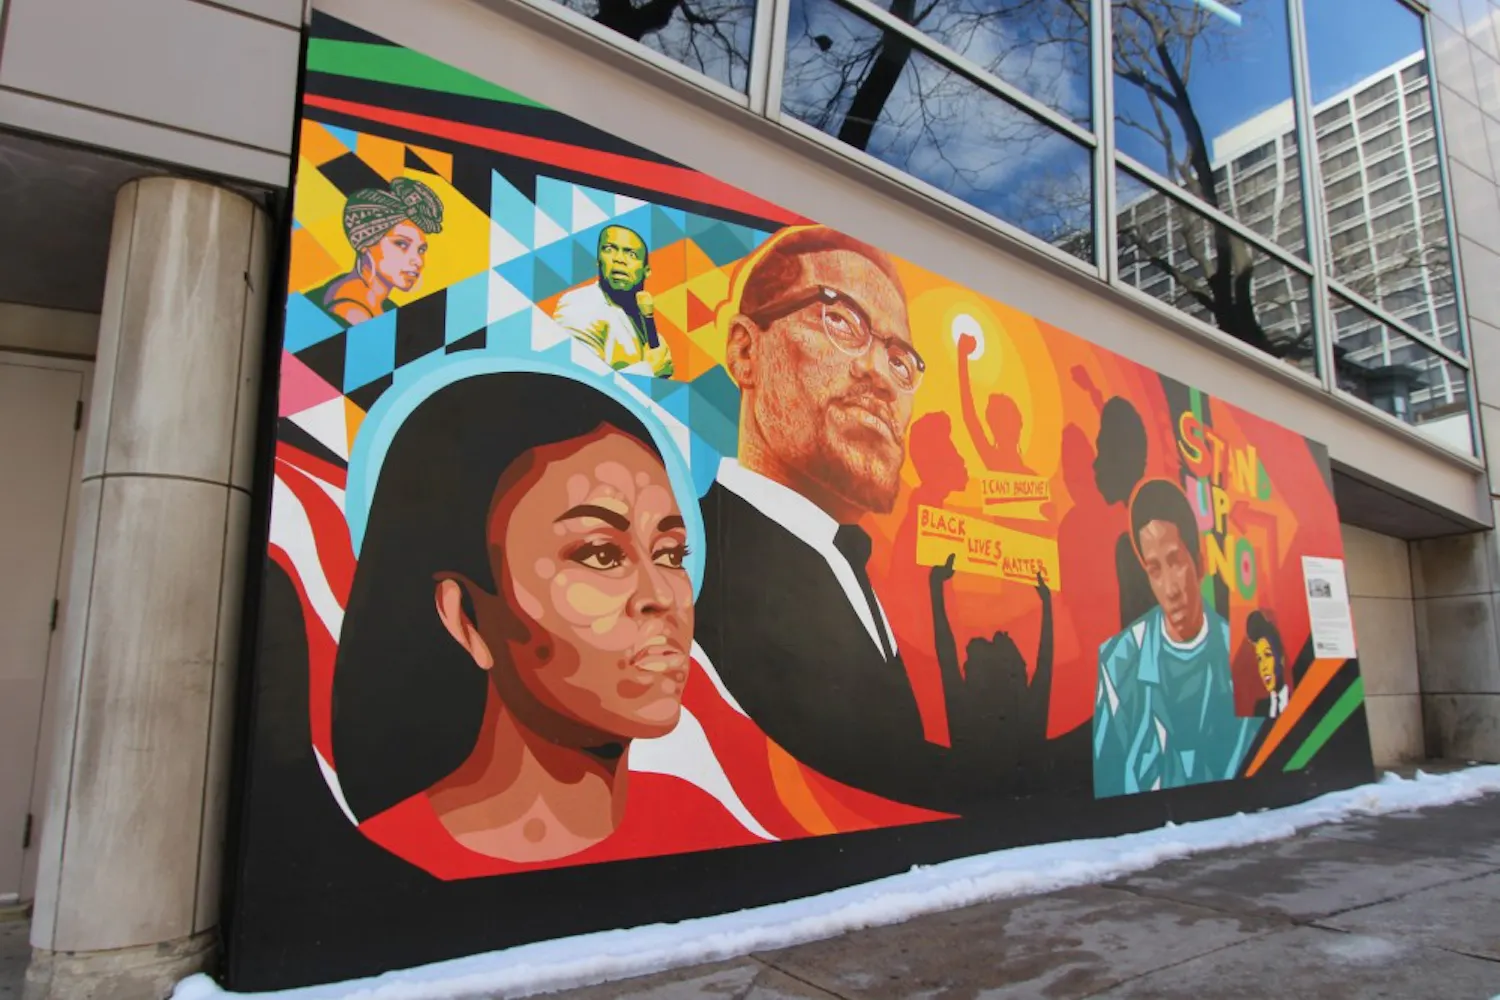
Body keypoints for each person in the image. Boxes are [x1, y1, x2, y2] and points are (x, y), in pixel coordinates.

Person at [331, 373, 758, 876]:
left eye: (670, 553)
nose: (662, 596)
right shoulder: (385, 866)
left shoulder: (701, 823)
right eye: (600, 554)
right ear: (467, 618)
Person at [1092, 479, 1261, 798]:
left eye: (1175, 561)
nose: (1169, 589)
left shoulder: (1241, 658)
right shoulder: (1118, 662)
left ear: (1199, 563)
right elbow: (1108, 776)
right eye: (1155, 570)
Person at [317, 177, 444, 326]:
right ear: (365, 243)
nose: (418, 261)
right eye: (401, 244)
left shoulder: (385, 307)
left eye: (421, 249)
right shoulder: (353, 313)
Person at [555, 225, 674, 378]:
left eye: (631, 254)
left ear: (647, 271)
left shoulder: (642, 320)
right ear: (598, 262)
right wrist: (650, 369)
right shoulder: (580, 305)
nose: (619, 259)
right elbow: (576, 382)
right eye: (609, 249)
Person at [956, 332, 1033, 474]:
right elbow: (969, 416)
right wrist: (962, 355)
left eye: (1010, 420)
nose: (1008, 428)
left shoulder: (1033, 479)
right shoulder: (993, 460)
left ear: (1020, 423)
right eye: (1001, 422)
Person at [1247, 610, 1290, 719]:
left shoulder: (1297, 701)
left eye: (1268, 655)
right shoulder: (1260, 708)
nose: (1264, 666)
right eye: (1259, 659)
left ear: (1281, 659)